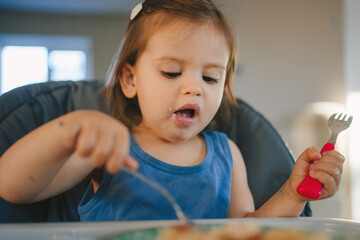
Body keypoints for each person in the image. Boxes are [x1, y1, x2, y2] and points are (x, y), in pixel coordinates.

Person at [0, 0, 344, 221]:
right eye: (171, 72)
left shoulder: (228, 156)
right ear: (130, 79)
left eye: (210, 77)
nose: (194, 87)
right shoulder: (110, 147)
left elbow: (247, 231)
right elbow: (12, 187)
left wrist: (292, 194)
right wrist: (69, 130)